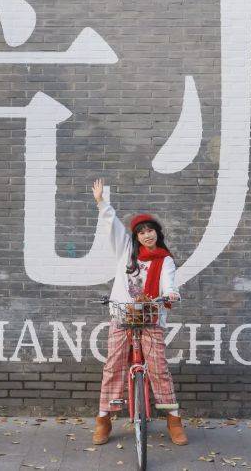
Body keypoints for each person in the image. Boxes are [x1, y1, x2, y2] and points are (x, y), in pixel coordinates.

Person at [91, 178, 188, 446]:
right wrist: (101, 202)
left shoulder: (165, 260)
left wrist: (171, 293)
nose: (147, 235)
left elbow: (169, 282)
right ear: (136, 236)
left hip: (150, 317)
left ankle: (174, 420)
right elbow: (113, 225)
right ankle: (104, 419)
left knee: (158, 368)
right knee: (113, 366)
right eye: (142, 232)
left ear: (157, 233)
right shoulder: (126, 251)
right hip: (123, 316)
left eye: (151, 230)